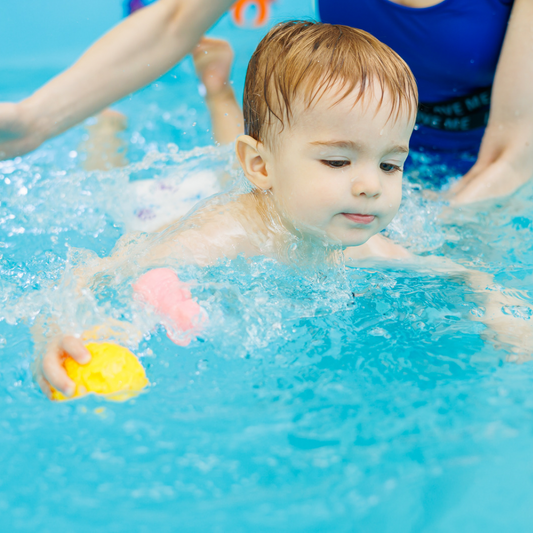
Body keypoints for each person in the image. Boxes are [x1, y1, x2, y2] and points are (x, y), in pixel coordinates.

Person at [32, 21, 533, 398]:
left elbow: (464, 275)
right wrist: (59, 331)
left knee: (257, 148)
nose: (370, 187)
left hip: (265, 171)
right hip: (182, 203)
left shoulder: (361, 244)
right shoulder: (217, 239)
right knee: (124, 194)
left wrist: (500, 311)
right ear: (263, 169)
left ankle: (217, 88)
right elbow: (91, 274)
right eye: (338, 160)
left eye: (390, 165)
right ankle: (108, 130)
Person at [0, 0, 532, 204]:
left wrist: (436, 231)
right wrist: (33, 123)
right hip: (336, 146)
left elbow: (510, 152)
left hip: (475, 169)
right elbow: (174, 22)